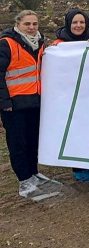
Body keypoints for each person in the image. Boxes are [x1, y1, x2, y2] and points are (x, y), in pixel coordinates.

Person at [0, 10, 62, 199]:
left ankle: (33, 173)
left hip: (35, 102)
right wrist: (4, 101)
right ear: (17, 24)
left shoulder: (40, 43)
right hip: (14, 104)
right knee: (17, 143)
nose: (31, 27)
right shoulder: (6, 44)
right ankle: (24, 180)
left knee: (33, 141)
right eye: (27, 24)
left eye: (34, 24)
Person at [52, 9, 89, 182]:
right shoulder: (58, 44)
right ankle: (78, 167)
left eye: (82, 22)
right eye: (74, 22)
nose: (78, 26)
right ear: (68, 24)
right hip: (70, 95)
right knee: (75, 132)